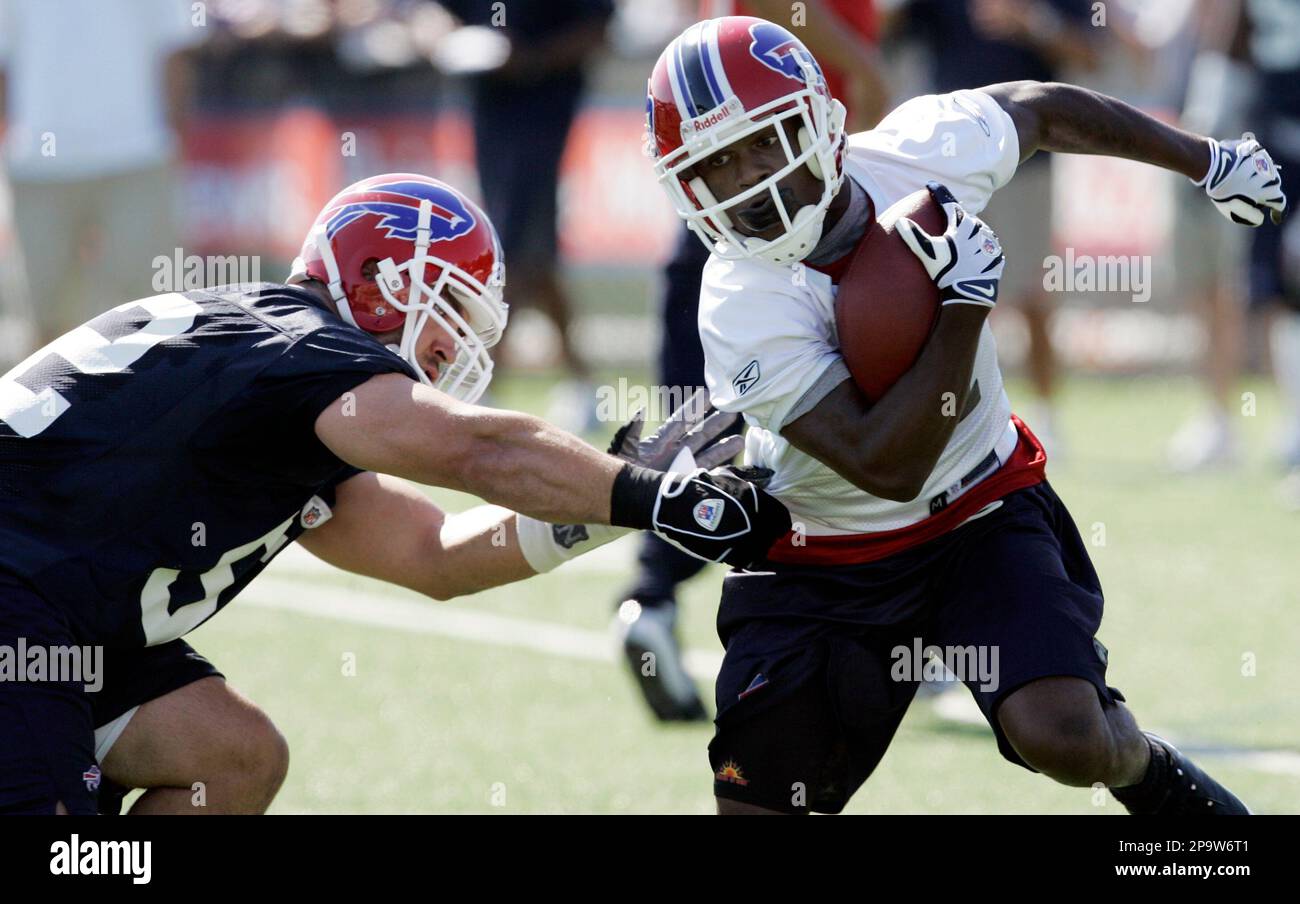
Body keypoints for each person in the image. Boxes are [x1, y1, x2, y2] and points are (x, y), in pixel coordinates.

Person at [645, 16, 1285, 814]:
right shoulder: (740, 299)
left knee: (1069, 735)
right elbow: (886, 465)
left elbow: (1041, 107)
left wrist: (1207, 160)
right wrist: (962, 307)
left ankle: (1177, 803)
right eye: (716, 163)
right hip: (824, 550)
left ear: (814, 118)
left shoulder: (914, 153)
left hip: (976, 509)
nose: (746, 180)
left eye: (761, 143)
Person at [0, 173, 790, 815]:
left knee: (232, 757)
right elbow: (475, 447)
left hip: (59, 610)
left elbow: (431, 554)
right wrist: (656, 495)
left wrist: (600, 510)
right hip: (20, 601)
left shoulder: (276, 378)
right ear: (380, 280)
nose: (453, 350)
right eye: (449, 310)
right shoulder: (300, 346)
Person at [614, 0, 890, 723]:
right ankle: (897, 626)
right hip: (766, 202)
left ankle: (652, 596)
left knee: (720, 430)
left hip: (755, 188)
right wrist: (862, 68)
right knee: (771, 439)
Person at [0, 0, 203, 347]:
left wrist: (171, 142)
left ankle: (150, 402)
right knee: (45, 320)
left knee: (154, 315)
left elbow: (174, 50)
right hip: (39, 166)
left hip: (137, 157)